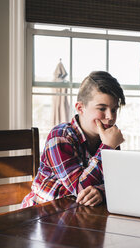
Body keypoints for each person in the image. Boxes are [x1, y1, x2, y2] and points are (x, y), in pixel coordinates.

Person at [22, 71, 125, 208]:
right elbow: (80, 188)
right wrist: (107, 147)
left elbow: (115, 182)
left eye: (114, 110)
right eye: (102, 108)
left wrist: (101, 191)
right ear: (80, 108)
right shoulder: (60, 137)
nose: (110, 117)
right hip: (41, 215)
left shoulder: (109, 138)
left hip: (77, 214)